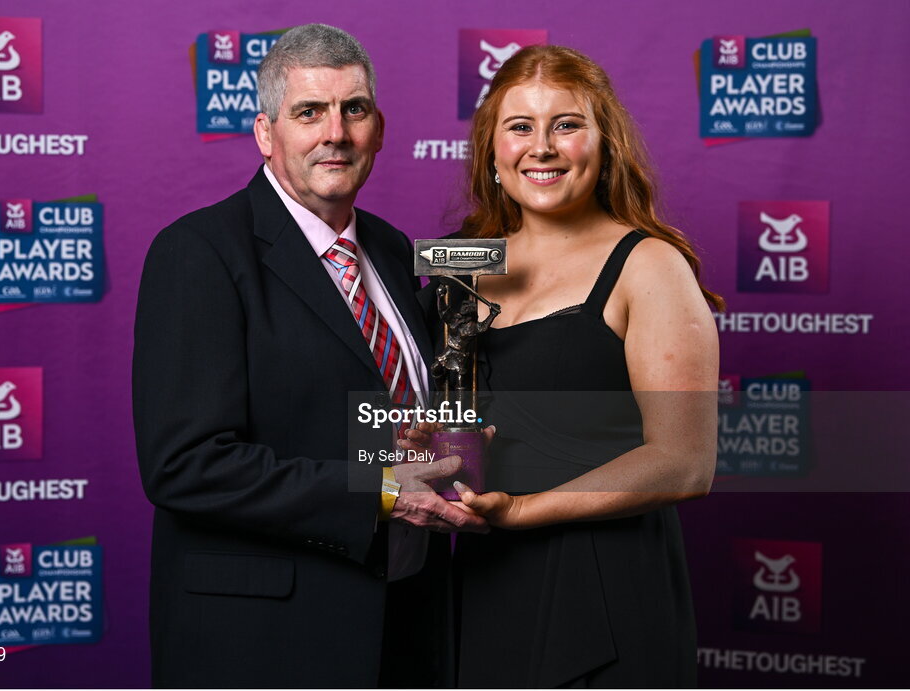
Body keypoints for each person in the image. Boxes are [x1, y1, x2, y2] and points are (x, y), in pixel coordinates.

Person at [132, 24, 484, 688]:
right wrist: (378, 491)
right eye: (309, 112)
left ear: (378, 128)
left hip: (406, 624)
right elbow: (184, 465)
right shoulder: (200, 252)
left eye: (353, 109)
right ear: (267, 133)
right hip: (267, 642)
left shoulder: (392, 249)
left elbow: (401, 413)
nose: (336, 132)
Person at [409, 45, 722, 687]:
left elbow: (686, 460)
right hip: (479, 579)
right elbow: (436, 428)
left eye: (567, 125)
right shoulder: (458, 262)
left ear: (603, 144)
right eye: (520, 126)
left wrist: (522, 511)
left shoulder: (649, 264)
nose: (541, 147)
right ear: (491, 152)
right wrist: (397, 457)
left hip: (603, 586)